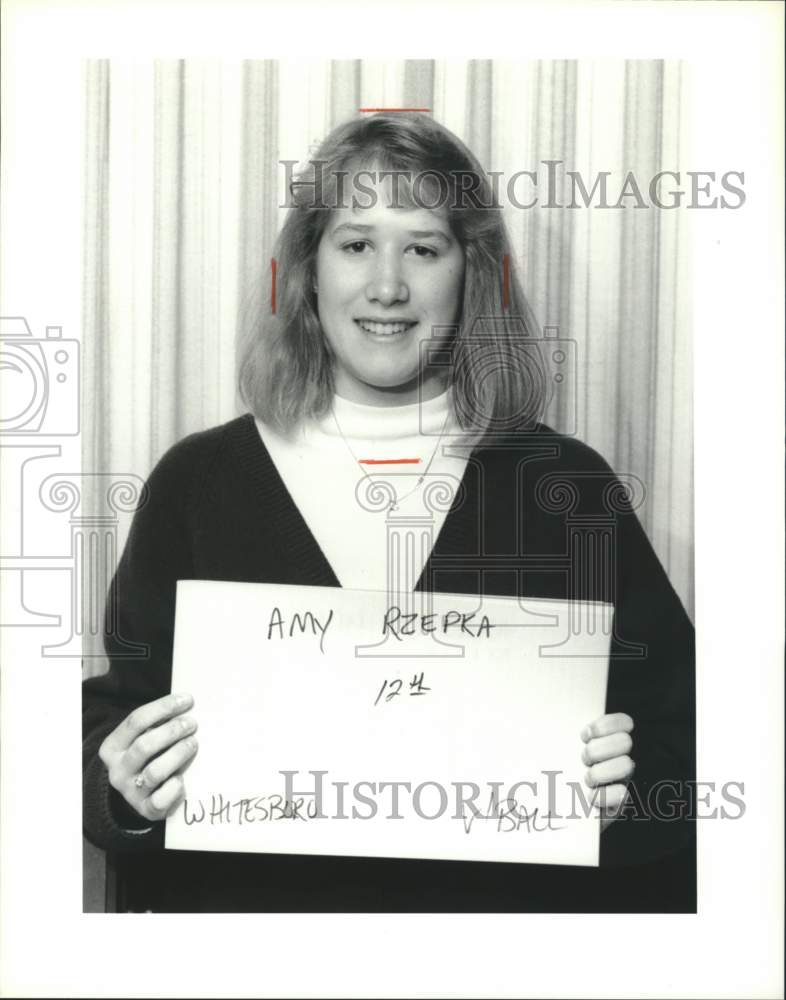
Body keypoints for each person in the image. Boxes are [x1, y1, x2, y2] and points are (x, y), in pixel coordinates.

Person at [82, 112, 695, 912]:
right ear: (306, 269)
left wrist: (627, 798)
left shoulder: (566, 487)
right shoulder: (198, 482)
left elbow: (686, 744)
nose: (387, 285)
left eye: (424, 247)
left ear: (472, 273)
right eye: (357, 243)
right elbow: (118, 718)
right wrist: (122, 781)